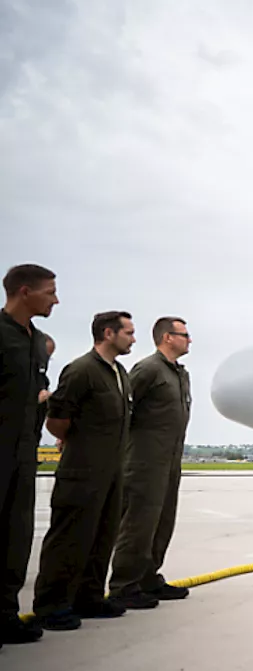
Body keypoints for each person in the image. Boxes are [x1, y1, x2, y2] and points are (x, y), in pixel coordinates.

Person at [34, 310, 156, 631]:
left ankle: (88, 596)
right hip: (83, 470)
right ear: (107, 333)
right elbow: (57, 420)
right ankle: (52, 604)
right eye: (128, 332)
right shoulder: (82, 370)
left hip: (112, 471)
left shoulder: (119, 373)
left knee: (103, 536)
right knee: (70, 537)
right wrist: (78, 444)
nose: (133, 338)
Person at [109, 317, 193, 607]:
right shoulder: (148, 369)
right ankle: (124, 585)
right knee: (138, 524)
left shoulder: (179, 374)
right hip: (145, 462)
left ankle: (148, 577)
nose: (189, 340)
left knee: (162, 522)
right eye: (184, 335)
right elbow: (124, 407)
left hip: (169, 461)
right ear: (168, 338)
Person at [0, 264, 58, 647]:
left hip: (24, 455)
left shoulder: (38, 341)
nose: (55, 298)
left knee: (16, 536)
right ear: (25, 291)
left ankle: (4, 615)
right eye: (49, 291)